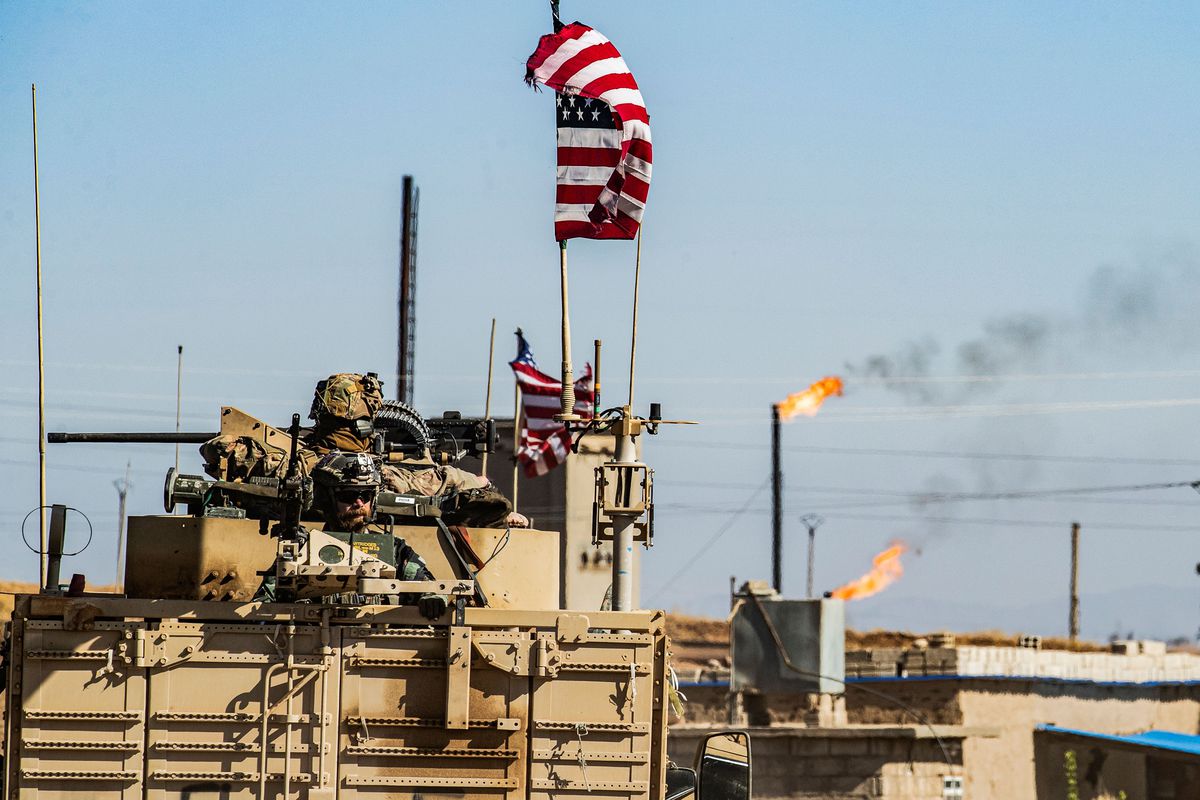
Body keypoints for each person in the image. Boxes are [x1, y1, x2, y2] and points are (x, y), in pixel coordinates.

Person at [255, 451, 446, 619]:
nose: (359, 503)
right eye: (348, 496)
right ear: (326, 500)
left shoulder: (394, 551)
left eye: (366, 496)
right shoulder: (302, 550)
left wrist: (432, 599)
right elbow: (262, 603)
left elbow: (429, 587)